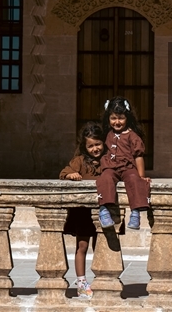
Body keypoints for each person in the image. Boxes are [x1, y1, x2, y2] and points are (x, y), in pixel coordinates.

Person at [96, 97, 152, 250]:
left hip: (128, 167)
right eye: (113, 118)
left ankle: (135, 213)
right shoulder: (106, 134)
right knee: (105, 178)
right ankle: (104, 211)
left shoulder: (133, 136)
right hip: (111, 167)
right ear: (108, 119)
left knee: (134, 179)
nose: (117, 122)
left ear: (127, 118)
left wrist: (141, 176)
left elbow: (138, 156)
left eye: (121, 118)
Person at [59, 121, 105, 299]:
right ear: (84, 147)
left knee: (101, 245)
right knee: (82, 245)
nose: (95, 149)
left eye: (98, 144)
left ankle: (102, 279)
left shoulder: (108, 160)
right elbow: (64, 172)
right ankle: (81, 282)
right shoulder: (79, 161)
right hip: (83, 211)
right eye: (91, 145)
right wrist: (71, 175)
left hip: (104, 209)